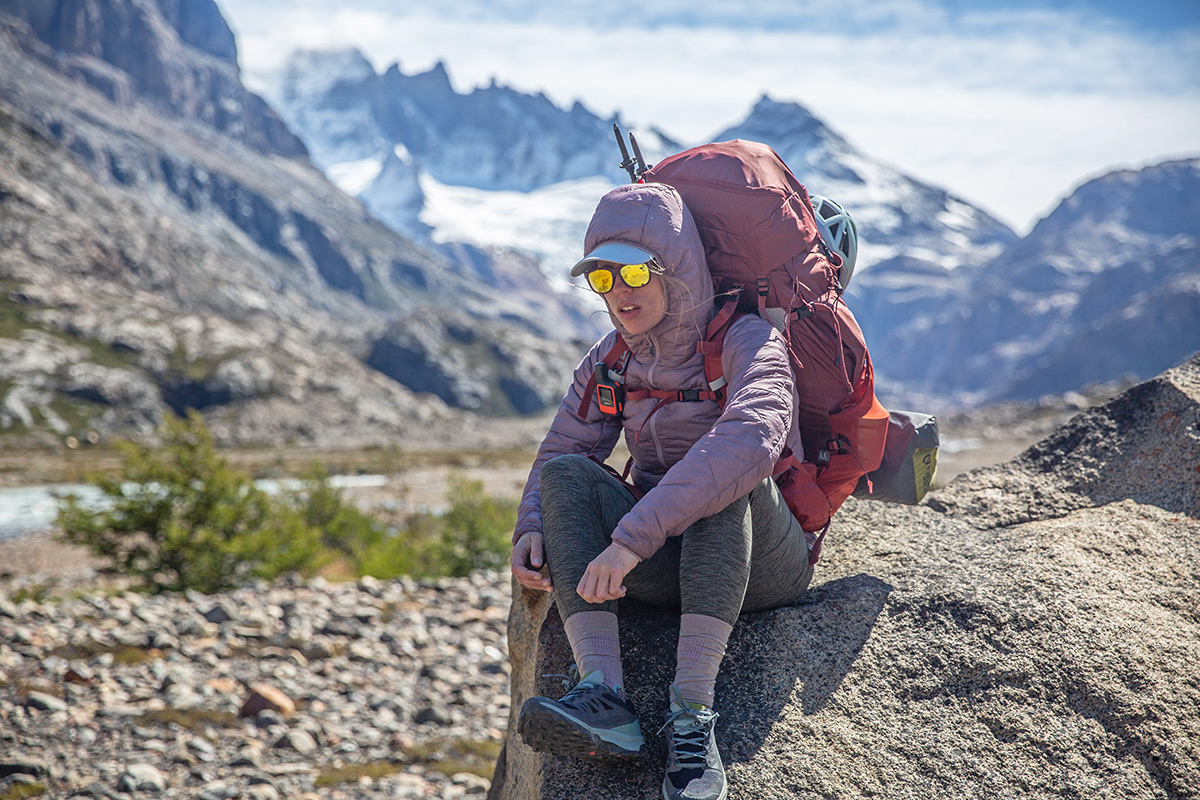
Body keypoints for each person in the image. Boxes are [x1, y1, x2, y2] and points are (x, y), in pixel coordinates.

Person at [510, 182, 814, 800]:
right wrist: (534, 526)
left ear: (673, 271)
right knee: (566, 478)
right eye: (601, 278)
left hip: (762, 563)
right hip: (664, 561)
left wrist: (629, 541)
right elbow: (567, 448)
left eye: (633, 274)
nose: (618, 294)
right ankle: (604, 698)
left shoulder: (747, 341)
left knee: (720, 477)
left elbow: (749, 442)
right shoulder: (611, 359)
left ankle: (692, 719)